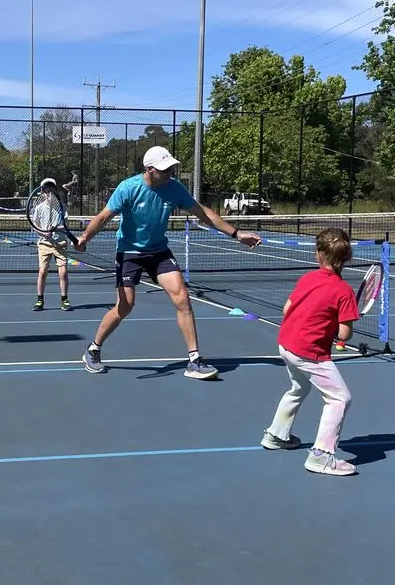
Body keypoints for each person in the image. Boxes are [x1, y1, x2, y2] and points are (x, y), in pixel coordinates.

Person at [74, 146, 261, 379]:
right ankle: (93, 349)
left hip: (159, 251)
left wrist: (236, 234)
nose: (169, 173)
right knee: (125, 305)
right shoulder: (128, 188)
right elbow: (103, 217)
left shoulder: (174, 189)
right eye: (164, 170)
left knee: (182, 296)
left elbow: (202, 212)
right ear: (149, 170)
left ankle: (194, 360)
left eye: (171, 168)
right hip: (129, 252)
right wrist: (84, 238)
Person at [260, 227, 359, 476]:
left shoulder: (307, 278)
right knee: (339, 398)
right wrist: (340, 329)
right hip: (308, 352)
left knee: (299, 388)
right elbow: (345, 335)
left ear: (318, 254)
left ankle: (276, 435)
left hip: (286, 344)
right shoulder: (344, 292)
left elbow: (286, 309)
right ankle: (321, 455)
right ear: (346, 257)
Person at [31, 177, 71, 312]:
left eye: (51, 188)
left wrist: (54, 229)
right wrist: (43, 233)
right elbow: (34, 226)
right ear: (42, 191)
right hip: (44, 244)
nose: (48, 191)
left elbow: (65, 226)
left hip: (60, 243)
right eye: (46, 188)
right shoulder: (38, 208)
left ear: (54, 189)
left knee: (63, 271)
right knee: (42, 271)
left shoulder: (62, 207)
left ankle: (64, 299)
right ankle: (40, 300)